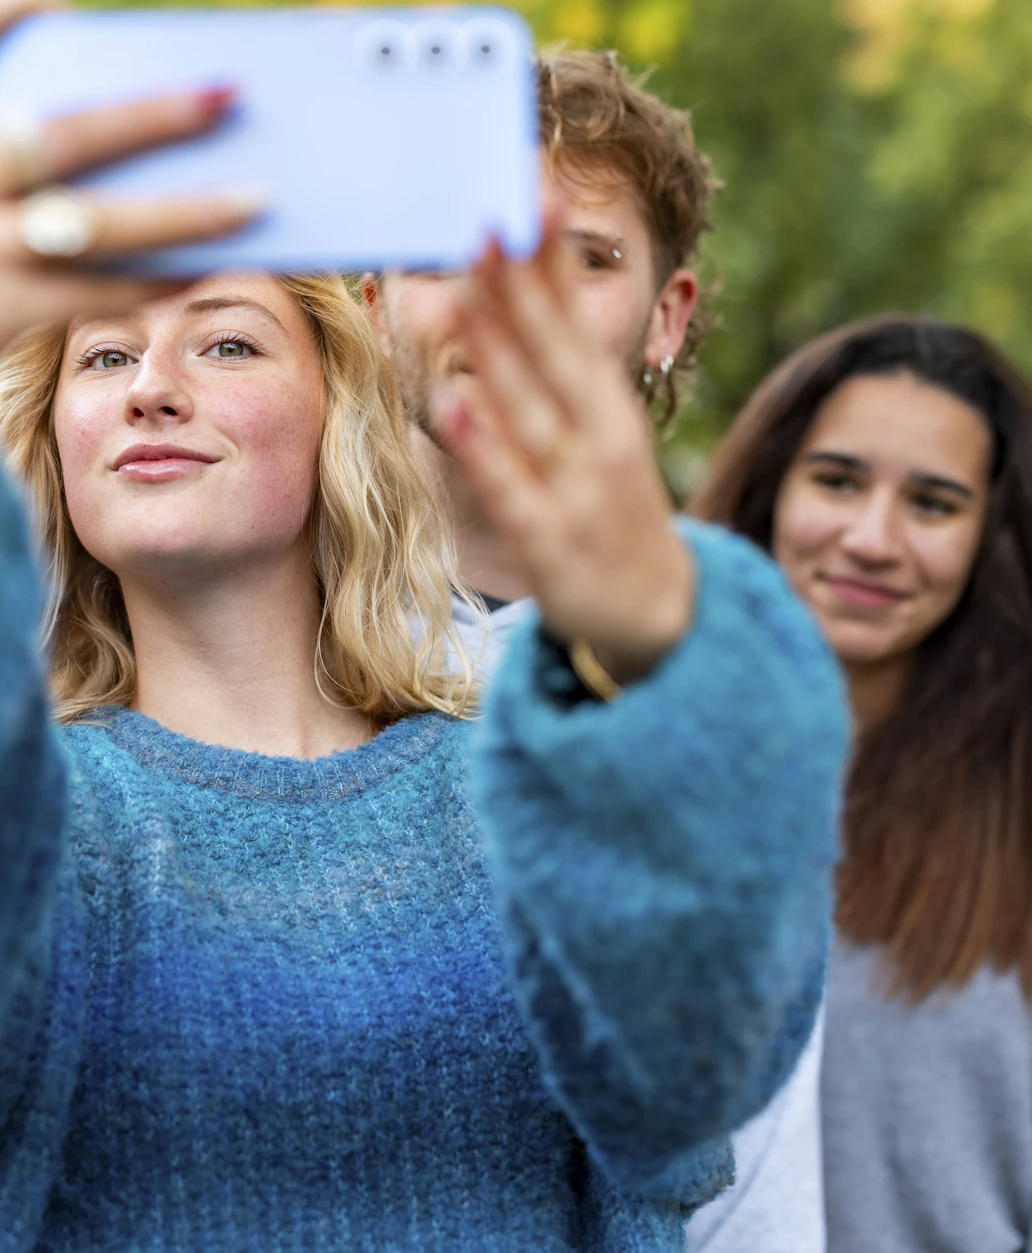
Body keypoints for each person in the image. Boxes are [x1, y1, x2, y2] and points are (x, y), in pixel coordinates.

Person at [0, 1, 847, 1248]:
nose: (155, 389)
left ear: (336, 418)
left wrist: (671, 644)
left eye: (227, 341)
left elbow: (702, 1075)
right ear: (54, 442)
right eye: (103, 357)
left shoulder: (512, 790)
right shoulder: (9, 820)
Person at [365, 48, 829, 1253]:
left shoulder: (718, 678)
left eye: (582, 255)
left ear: (662, 316)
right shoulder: (212, 624)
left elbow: (750, 1161)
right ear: (371, 294)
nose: (511, 301)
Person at [689, 315, 1032, 1253]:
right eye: (836, 480)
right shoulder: (635, 753)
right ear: (770, 489)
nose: (872, 538)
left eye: (934, 504)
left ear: (991, 537)